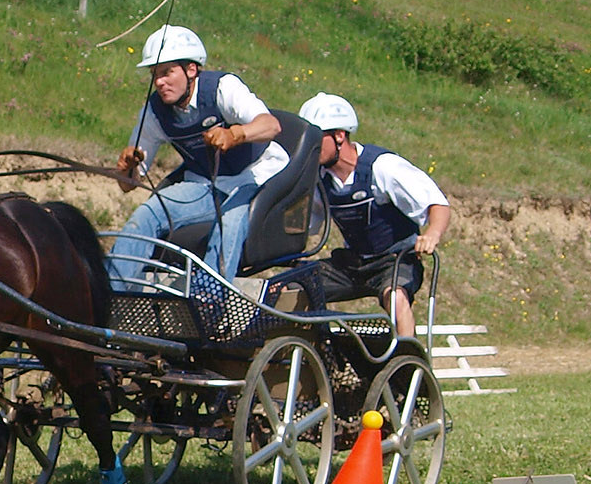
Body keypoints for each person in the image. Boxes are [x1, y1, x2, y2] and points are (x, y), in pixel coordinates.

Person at [109, 26, 287, 290]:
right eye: (154, 74)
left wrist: (235, 134)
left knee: (229, 224)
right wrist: (126, 169)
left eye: (167, 72)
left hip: (256, 177)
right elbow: (129, 185)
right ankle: (111, 291)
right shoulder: (154, 112)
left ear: (191, 70)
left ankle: (209, 301)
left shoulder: (223, 87)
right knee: (147, 213)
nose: (159, 82)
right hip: (205, 184)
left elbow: (271, 126)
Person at [299, 92, 451, 337]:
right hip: (354, 264)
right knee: (296, 285)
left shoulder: (384, 167)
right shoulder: (318, 180)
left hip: (396, 260)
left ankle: (405, 362)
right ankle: (319, 353)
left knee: (396, 298)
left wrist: (432, 234)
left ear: (339, 136)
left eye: (315, 138)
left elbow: (438, 205)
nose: (308, 147)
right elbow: (307, 225)